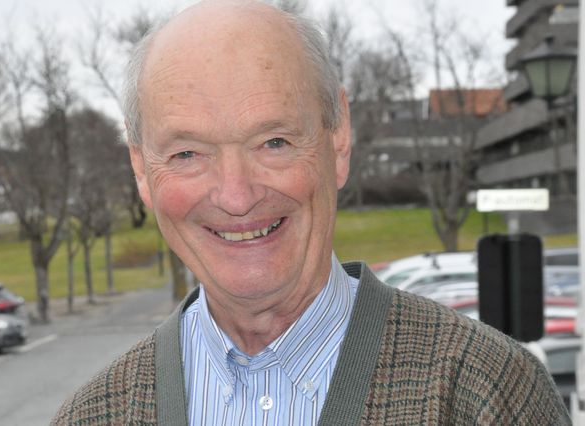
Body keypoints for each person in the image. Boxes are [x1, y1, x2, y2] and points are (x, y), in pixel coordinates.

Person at [52, 1, 570, 424]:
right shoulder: (93, 417)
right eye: (187, 153)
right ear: (141, 168)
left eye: (273, 142)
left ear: (339, 138)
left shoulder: (490, 393)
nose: (236, 196)